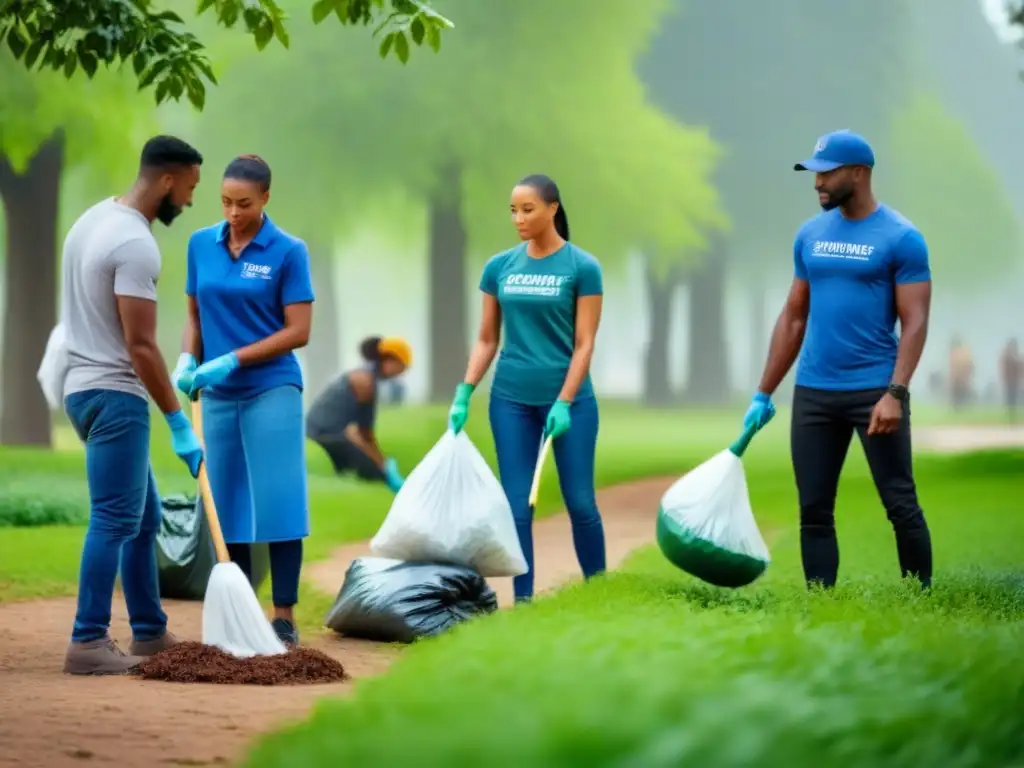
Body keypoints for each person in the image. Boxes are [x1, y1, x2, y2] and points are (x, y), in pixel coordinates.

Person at [743, 129, 933, 590]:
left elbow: (916, 321)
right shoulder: (809, 235)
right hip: (814, 392)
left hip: (875, 390)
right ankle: (821, 603)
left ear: (859, 173)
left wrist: (895, 392)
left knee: (899, 501)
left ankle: (919, 598)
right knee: (813, 509)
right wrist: (763, 392)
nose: (817, 184)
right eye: (815, 174)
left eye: (826, 174)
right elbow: (793, 315)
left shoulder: (902, 238)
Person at [61, 135, 205, 675]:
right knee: (115, 520)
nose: (189, 202)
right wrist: (176, 420)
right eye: (189, 189)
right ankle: (88, 640)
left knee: (142, 520)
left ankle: (149, 632)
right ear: (167, 180)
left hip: (81, 387)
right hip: (114, 394)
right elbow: (140, 345)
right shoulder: (136, 245)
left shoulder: (92, 219)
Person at [172, 154, 315, 646]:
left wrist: (232, 358)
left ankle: (284, 615)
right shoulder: (200, 245)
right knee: (225, 502)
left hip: (271, 385)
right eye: (226, 202)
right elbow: (194, 316)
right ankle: (242, 613)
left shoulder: (288, 251)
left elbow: (299, 331)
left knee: (279, 499)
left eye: (245, 203)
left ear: (266, 199)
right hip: (216, 392)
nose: (233, 213)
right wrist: (189, 360)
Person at [447, 173, 606, 603]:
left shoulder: (582, 267)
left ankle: (601, 592)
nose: (518, 218)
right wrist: (465, 392)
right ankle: (524, 599)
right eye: (513, 210)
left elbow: (585, 342)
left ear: (553, 208)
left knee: (580, 502)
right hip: (511, 400)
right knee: (518, 506)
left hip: (569, 403)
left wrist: (566, 400)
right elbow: (486, 339)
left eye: (528, 209)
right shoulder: (499, 267)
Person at [305, 335, 411, 491]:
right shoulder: (365, 382)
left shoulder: (364, 376)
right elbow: (364, 432)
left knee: (372, 465)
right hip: (323, 436)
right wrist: (383, 465)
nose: (402, 373)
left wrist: (381, 460)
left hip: (328, 434)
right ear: (389, 360)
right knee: (373, 473)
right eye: (402, 366)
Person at [999, 338, 1021, 423]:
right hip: (1010, 382)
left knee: (1013, 399)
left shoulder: (1014, 357)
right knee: (1010, 399)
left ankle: (1012, 416)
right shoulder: (1008, 357)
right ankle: (1010, 416)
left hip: (1014, 382)